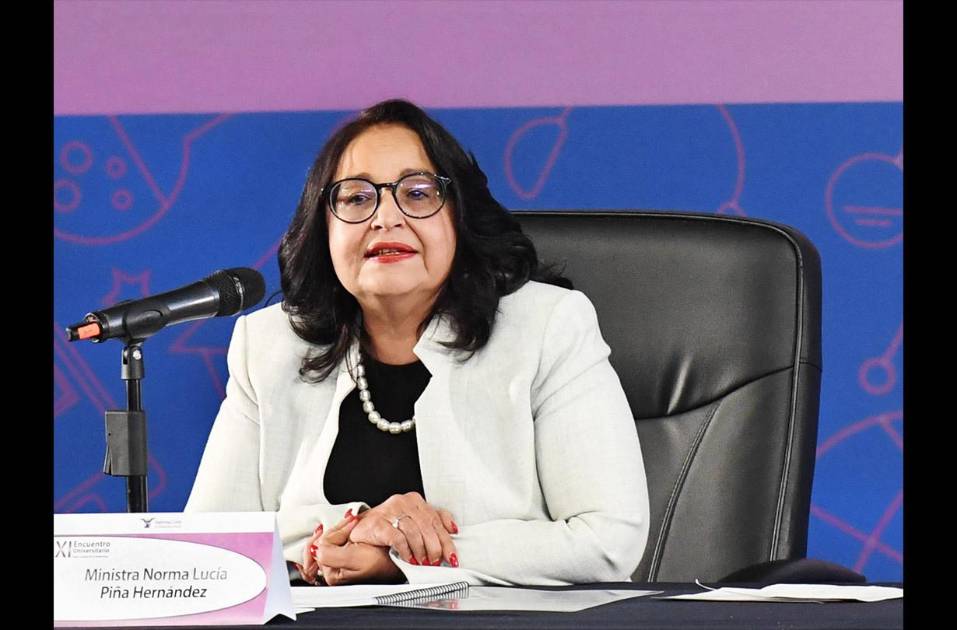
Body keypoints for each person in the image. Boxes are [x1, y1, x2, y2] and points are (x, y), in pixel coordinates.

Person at [185, 99, 649, 587]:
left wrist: (401, 559)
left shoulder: (546, 328)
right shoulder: (270, 346)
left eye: (418, 193)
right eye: (357, 198)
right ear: (323, 229)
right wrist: (359, 529)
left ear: (459, 218)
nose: (385, 217)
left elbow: (607, 541)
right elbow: (209, 550)